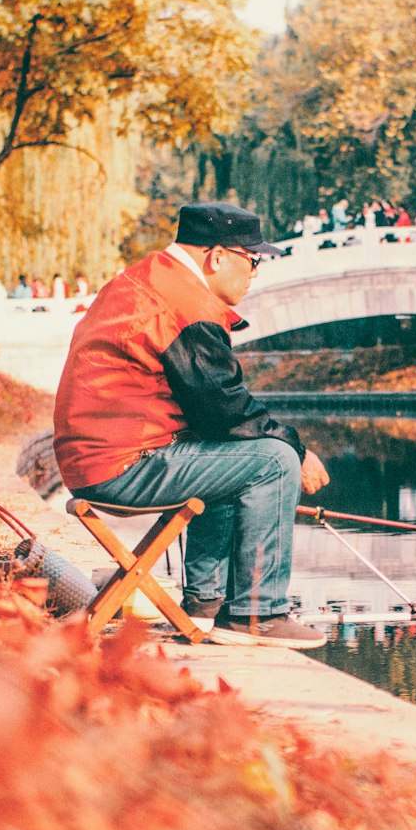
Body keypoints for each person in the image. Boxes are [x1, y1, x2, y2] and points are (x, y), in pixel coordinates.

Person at [52, 201, 330, 648]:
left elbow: (215, 418)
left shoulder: (151, 278)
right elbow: (224, 406)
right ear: (217, 257)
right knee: (274, 460)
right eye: (252, 260)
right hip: (120, 464)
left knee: (230, 455)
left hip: (96, 458)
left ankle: (205, 607)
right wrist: (297, 451)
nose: (256, 272)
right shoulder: (185, 304)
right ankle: (258, 613)